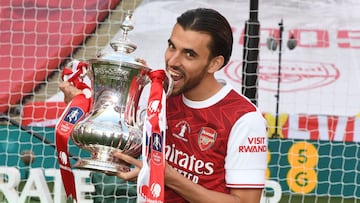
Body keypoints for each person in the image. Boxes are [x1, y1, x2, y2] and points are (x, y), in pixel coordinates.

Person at [60, 8, 268, 203]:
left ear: (214, 63)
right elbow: (124, 137)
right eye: (172, 47)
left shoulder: (244, 118)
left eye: (189, 54)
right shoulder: (160, 95)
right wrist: (87, 107)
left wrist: (168, 177)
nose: (173, 61)